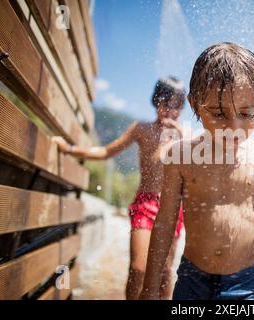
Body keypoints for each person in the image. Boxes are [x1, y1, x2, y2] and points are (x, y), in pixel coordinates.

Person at [139, 43, 254, 300]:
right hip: (191, 282)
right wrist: (150, 289)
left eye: (245, 113)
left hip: (244, 286)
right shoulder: (181, 157)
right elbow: (164, 223)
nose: (233, 126)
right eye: (218, 113)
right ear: (195, 105)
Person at [52, 76, 186, 300]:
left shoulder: (184, 138)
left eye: (178, 105)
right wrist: (70, 149)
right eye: (167, 103)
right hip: (145, 204)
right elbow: (106, 151)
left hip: (171, 208)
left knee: (164, 273)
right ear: (157, 102)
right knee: (138, 269)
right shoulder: (141, 129)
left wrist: (181, 139)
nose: (172, 111)